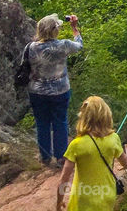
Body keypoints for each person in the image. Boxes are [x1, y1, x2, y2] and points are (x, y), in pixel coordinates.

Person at [25, 14, 83, 166]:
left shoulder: (31, 47)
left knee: (42, 123)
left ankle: (45, 157)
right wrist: (74, 28)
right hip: (60, 90)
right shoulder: (63, 45)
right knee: (60, 122)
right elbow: (79, 46)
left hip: (37, 91)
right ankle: (61, 157)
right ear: (54, 30)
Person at [57, 96, 127, 211]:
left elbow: (64, 178)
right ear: (106, 115)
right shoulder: (113, 139)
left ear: (83, 117)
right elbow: (126, 162)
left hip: (82, 198)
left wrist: (59, 202)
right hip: (107, 194)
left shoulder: (77, 144)